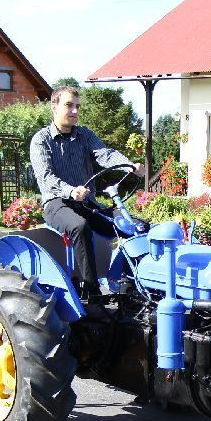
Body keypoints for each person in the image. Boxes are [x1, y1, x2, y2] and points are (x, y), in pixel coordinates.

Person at [30, 85, 144, 298]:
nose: (74, 111)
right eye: (69, 105)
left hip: (86, 203)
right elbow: (45, 177)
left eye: (77, 106)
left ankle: (134, 285)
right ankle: (92, 294)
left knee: (133, 225)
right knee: (80, 226)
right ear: (54, 107)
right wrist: (70, 191)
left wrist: (129, 166)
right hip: (56, 204)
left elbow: (105, 154)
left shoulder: (84, 135)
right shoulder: (41, 140)